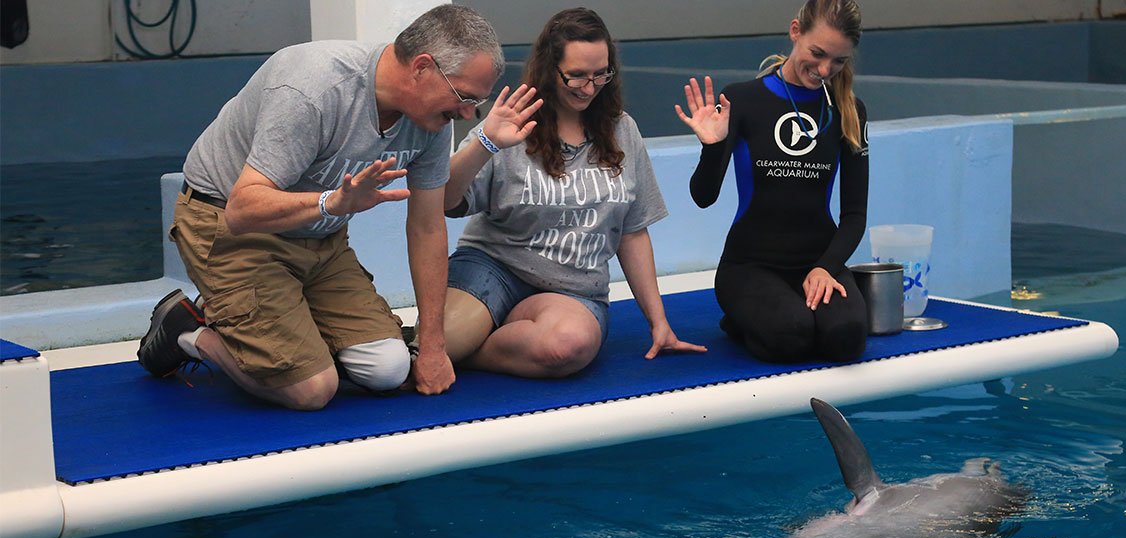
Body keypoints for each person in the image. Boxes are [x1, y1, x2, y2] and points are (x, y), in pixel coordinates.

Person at [136, 5, 505, 410]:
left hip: (319, 240)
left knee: (388, 370)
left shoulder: (432, 117)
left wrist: (433, 345)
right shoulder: (313, 89)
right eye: (464, 98)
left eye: (477, 104)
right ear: (421, 68)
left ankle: (269, 319)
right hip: (229, 229)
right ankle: (189, 330)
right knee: (311, 390)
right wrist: (332, 202)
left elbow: (428, 227)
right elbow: (241, 211)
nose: (468, 114)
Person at [433, 7, 704, 378]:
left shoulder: (622, 130)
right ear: (549, 69)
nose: (589, 88)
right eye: (576, 76)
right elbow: (445, 201)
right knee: (439, 342)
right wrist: (484, 141)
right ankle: (467, 340)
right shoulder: (512, 122)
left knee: (565, 347)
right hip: (494, 266)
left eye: (600, 75)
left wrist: (659, 323)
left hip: (573, 289)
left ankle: (476, 348)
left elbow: (633, 231)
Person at [675, 0, 869, 364]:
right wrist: (712, 148)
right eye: (818, 52)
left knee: (847, 339)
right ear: (795, 31)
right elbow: (703, 197)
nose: (825, 69)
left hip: (818, 261)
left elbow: (855, 214)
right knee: (790, 337)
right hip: (750, 266)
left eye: (839, 60)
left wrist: (826, 268)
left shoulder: (849, 110)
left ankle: (790, 310)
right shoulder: (744, 99)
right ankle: (739, 321)